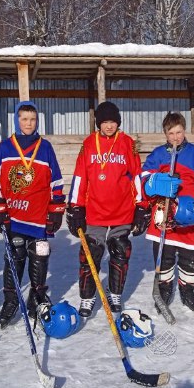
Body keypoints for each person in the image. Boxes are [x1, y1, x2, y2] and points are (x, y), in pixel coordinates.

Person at [66, 101, 145, 317]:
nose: (109, 126)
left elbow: (136, 176)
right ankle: (87, 297)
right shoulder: (90, 143)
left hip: (122, 208)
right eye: (105, 122)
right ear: (98, 123)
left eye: (112, 122)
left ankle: (115, 293)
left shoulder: (127, 143)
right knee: (90, 253)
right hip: (95, 210)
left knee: (121, 251)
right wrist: (75, 207)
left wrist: (141, 206)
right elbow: (80, 176)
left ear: (118, 123)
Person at [0, 101, 65, 327]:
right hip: (13, 214)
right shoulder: (5, 147)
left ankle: (37, 297)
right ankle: (11, 300)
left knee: (39, 256)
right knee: (14, 257)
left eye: (32, 119)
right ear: (17, 120)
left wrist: (56, 210)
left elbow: (57, 181)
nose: (28, 123)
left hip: (38, 215)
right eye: (24, 119)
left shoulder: (44, 147)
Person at [140, 112, 194, 313]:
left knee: (190, 256)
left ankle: (187, 290)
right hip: (164, 214)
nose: (176, 137)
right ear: (165, 134)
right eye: (171, 133)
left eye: (179, 132)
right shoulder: (158, 154)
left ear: (184, 130)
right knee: (164, 254)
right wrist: (154, 183)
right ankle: (164, 288)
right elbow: (144, 177)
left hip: (188, 214)